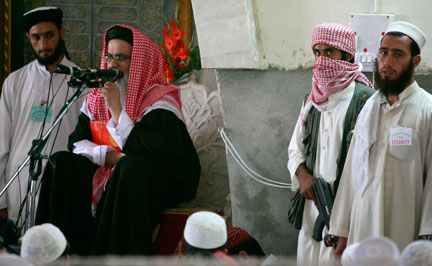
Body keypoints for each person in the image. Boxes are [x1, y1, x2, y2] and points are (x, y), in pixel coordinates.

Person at [35, 24, 201, 256]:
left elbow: (145, 152)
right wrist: (106, 155)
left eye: (121, 58)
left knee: (130, 167)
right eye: (109, 57)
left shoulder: (161, 101)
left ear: (140, 63)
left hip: (153, 181)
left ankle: (111, 256)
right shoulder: (96, 99)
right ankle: (59, 254)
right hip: (114, 171)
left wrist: (116, 112)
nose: (113, 65)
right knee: (61, 161)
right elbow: (76, 143)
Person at [329, 21, 432, 256]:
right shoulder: (370, 109)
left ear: (415, 61)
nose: (388, 61)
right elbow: (351, 171)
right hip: (363, 221)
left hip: (406, 224)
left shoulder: (427, 110)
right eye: (384, 53)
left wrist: (426, 233)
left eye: (398, 54)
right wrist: (341, 228)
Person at [287, 22, 374, 266]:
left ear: (347, 56)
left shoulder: (366, 101)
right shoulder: (311, 101)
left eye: (329, 52)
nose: (322, 60)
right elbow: (295, 149)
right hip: (311, 210)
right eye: (317, 52)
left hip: (349, 214)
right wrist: (303, 175)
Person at [0, 6, 83, 223]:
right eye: (36, 37)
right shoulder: (15, 82)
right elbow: (1, 144)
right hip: (18, 185)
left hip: (61, 189)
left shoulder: (83, 85)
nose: (44, 45)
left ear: (62, 34)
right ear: (28, 37)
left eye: (49, 36)